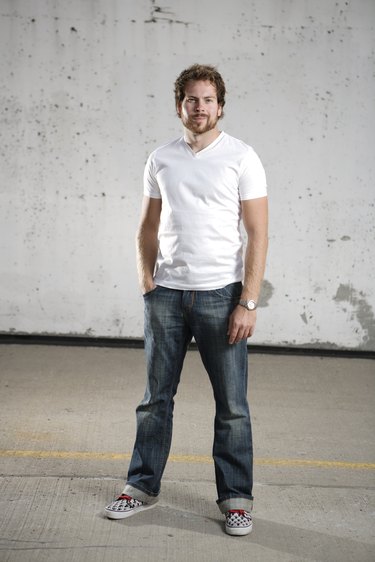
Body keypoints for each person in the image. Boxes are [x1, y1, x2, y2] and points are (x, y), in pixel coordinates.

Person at [105, 64, 268, 536]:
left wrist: (249, 301)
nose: (200, 107)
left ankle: (237, 499)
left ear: (221, 104)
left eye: (209, 99)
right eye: (192, 99)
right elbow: (147, 226)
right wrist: (146, 281)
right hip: (167, 297)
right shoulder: (161, 158)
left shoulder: (242, 157)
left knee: (232, 404)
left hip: (222, 295)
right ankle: (140, 488)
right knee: (156, 400)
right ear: (179, 104)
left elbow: (258, 234)